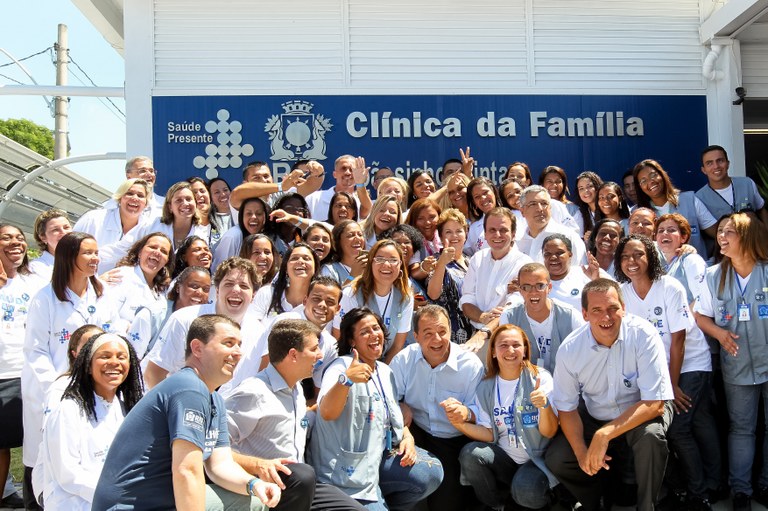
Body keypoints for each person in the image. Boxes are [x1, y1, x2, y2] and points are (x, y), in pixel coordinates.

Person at [92, 315, 282, 510]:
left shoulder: (213, 397)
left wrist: (254, 484)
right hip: (131, 506)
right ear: (197, 348)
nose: (238, 352)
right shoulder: (189, 388)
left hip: (163, 500)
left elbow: (219, 465)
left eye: (239, 344)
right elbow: (187, 470)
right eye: (228, 343)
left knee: (254, 502)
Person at [545, 278, 674, 511]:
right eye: (597, 310)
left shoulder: (644, 334)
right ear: (584, 314)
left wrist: (604, 434)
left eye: (613, 308)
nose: (606, 317)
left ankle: (647, 507)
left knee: (652, 438)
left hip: (640, 414)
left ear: (623, 308)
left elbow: (655, 404)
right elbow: (566, 407)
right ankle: (595, 502)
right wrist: (582, 452)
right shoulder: (570, 349)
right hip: (595, 413)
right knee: (558, 458)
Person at [615, 234, 717, 510]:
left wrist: (670, 388)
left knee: (680, 429)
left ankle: (699, 494)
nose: (631, 261)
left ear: (651, 256)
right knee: (662, 430)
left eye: (638, 254)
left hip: (689, 364)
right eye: (625, 256)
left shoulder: (670, 287)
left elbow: (678, 342)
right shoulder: (622, 293)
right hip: (654, 372)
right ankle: (680, 487)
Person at [21, 232, 120, 509]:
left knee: (84, 457)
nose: (95, 258)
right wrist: (60, 386)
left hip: (96, 389)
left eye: (96, 252)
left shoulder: (103, 294)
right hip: (52, 391)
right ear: (68, 257)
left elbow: (114, 334)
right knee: (44, 460)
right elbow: (36, 350)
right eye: (88, 253)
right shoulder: (45, 299)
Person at [224, 319, 364, 511]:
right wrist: (258, 465)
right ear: (293, 355)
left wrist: (344, 382)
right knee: (303, 475)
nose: (320, 355)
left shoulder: (296, 388)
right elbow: (212, 449)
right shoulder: (253, 392)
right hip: (264, 488)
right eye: (314, 349)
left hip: (300, 485)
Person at [311, 308, 443, 509]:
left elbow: (389, 417)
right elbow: (327, 412)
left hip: (375, 464)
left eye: (376, 328)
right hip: (343, 475)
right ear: (352, 341)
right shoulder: (341, 367)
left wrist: (407, 437)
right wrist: (346, 380)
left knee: (430, 472)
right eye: (364, 332)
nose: (374, 335)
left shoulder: (385, 371)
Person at [694, 212, 768, 511]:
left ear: (747, 237)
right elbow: (699, 315)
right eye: (720, 231)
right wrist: (719, 334)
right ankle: (741, 490)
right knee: (741, 428)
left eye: (729, 232)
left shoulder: (766, 271)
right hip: (736, 365)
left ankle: (765, 484)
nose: (721, 236)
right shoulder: (713, 275)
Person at [389, 305, 484, 511]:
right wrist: (403, 420)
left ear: (450, 331)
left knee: (446, 503)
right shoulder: (404, 359)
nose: (437, 339)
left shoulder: (470, 365)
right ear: (415, 336)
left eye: (442, 332)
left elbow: (482, 412)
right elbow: (388, 402)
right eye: (428, 333)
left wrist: (466, 413)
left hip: (454, 437)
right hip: (416, 432)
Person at [454, 324, 559, 510]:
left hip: (536, 459)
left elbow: (549, 432)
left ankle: (547, 500)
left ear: (525, 349)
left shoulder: (540, 378)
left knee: (526, 489)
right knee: (470, 454)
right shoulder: (485, 387)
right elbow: (488, 434)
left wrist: (544, 405)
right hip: (504, 459)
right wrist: (459, 424)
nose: (510, 350)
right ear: (493, 351)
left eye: (516, 345)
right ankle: (497, 505)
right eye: (503, 345)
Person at [39, 333, 143, 511]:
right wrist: (120, 495)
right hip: (76, 504)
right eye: (105, 356)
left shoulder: (127, 409)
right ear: (87, 366)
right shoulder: (68, 410)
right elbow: (68, 475)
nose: (114, 362)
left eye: (121, 357)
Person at [143, 257, 263, 388]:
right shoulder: (185, 319)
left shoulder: (259, 333)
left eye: (244, 286)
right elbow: (153, 374)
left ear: (254, 295)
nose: (236, 290)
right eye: (228, 284)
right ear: (217, 291)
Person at [223, 276, 343, 396]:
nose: (322, 305)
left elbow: (320, 393)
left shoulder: (330, 344)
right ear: (305, 301)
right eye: (316, 299)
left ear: (338, 309)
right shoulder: (288, 322)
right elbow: (265, 373)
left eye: (330, 302)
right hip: (244, 397)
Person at [0, 225, 44, 508]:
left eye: (19, 237)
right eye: (6, 237)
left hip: (27, 373)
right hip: (2, 374)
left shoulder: (33, 281)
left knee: (34, 445)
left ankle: (35, 498)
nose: (15, 242)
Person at [333, 239, 414, 362]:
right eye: (379, 259)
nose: (386, 265)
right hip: (353, 362)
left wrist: (382, 372)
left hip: (386, 364)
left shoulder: (405, 298)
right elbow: (339, 336)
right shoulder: (351, 294)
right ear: (370, 263)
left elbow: (397, 345)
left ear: (401, 266)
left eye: (393, 260)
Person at [499, 263, 585, 373]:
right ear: (520, 290)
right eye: (526, 287)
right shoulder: (509, 316)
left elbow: (585, 353)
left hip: (564, 384)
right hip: (524, 382)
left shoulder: (571, 315)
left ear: (549, 288)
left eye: (540, 286)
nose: (533, 292)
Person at [460, 207, 532, 331]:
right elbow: (467, 299)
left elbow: (515, 305)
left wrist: (486, 328)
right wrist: (482, 317)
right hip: (477, 333)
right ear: (485, 234)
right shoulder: (477, 259)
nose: (497, 235)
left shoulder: (524, 265)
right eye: (492, 230)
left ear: (513, 234)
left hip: (509, 333)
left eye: (503, 230)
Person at [633, 158, 717, 258]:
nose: (650, 181)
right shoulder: (639, 213)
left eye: (653, 175)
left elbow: (718, 233)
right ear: (639, 187)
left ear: (662, 175)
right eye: (643, 181)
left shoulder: (690, 200)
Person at [107, 233, 174, 356]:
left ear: (167, 261)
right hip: (115, 348)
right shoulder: (121, 276)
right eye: (153, 247)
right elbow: (106, 316)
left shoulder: (162, 291)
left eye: (164, 251)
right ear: (140, 252)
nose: (157, 252)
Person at [74, 178, 151, 273]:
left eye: (140, 195)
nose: (135, 198)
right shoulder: (92, 219)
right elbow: (71, 252)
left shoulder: (149, 229)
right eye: (129, 193)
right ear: (120, 198)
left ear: (146, 203)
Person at [426, 209, 474, 344]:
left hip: (475, 331)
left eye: (459, 231)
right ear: (441, 237)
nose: (454, 236)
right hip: (449, 335)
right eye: (448, 232)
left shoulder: (471, 260)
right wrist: (442, 263)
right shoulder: (434, 261)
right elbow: (433, 294)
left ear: (466, 233)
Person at [696, 144, 768, 225]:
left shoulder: (747, 183)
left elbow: (761, 210)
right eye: (709, 163)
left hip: (753, 236)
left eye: (720, 161)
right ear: (704, 170)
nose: (716, 166)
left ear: (728, 164)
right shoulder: (699, 198)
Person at [516, 185, 588, 266]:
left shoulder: (568, 237)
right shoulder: (518, 244)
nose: (540, 208)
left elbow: (582, 273)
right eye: (533, 204)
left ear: (550, 207)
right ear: (522, 211)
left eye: (544, 203)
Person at [251, 243, 319, 321]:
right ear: (285, 268)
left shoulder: (320, 303)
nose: (300, 261)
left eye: (306, 258)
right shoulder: (267, 293)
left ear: (315, 267)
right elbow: (251, 325)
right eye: (294, 258)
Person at [229, 160, 324, 213]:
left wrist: (319, 172)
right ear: (245, 182)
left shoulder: (281, 194)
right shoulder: (241, 199)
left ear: (272, 178)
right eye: (256, 178)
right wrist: (281, 186)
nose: (263, 180)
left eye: (266, 176)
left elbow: (311, 186)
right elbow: (236, 193)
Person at [140, 180, 209, 252]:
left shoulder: (203, 233)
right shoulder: (152, 226)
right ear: (170, 207)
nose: (185, 203)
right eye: (179, 200)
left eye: (188, 199)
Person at [541, 234, 604, 311]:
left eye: (559, 253)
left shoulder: (588, 272)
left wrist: (596, 281)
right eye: (547, 254)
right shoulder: (537, 282)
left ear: (570, 254)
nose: (553, 257)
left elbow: (610, 301)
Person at [305, 155, 372, 219]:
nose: (348, 173)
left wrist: (360, 183)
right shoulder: (314, 198)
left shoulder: (361, 202)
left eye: (352, 170)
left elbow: (367, 210)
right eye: (343, 168)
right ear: (334, 174)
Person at [28, 209, 72, 282]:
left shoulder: (81, 262)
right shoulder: (35, 269)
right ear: (43, 237)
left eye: (66, 227)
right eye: (55, 230)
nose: (63, 232)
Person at [320, 220, 367, 286]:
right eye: (350, 235)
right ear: (338, 241)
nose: (357, 238)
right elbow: (332, 296)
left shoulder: (370, 268)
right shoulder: (329, 270)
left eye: (360, 235)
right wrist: (352, 276)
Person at [464, 177, 502, 256]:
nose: (483, 198)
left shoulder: (513, 216)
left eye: (485, 193)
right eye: (477, 197)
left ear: (494, 191)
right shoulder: (474, 228)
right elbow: (468, 255)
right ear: (474, 203)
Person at [572, 171, 604, 239]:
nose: (586, 191)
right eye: (581, 188)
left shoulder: (607, 208)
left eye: (589, 186)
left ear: (597, 187)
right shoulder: (580, 214)